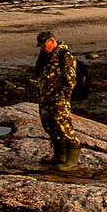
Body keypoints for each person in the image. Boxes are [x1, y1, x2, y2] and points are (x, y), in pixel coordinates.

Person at [31, 29, 85, 170]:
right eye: (41, 46)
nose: (42, 48)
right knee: (50, 127)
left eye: (44, 45)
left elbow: (70, 81)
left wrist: (62, 97)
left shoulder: (65, 56)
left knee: (64, 128)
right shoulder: (45, 56)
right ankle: (59, 156)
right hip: (45, 98)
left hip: (59, 100)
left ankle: (71, 162)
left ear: (52, 41)